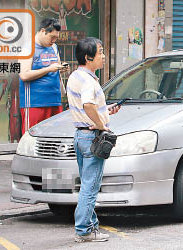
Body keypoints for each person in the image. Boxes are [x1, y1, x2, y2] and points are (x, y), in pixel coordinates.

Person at [66, 37, 120, 243]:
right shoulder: (89, 80)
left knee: (87, 183)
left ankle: (90, 225)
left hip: (80, 136)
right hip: (91, 137)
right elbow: (88, 105)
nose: (104, 56)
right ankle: (83, 231)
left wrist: (106, 112)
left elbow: (84, 107)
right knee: (90, 186)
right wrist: (101, 124)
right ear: (88, 57)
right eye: (100, 52)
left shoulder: (75, 76)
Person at [18, 18, 68, 135]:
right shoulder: (27, 48)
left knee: (54, 137)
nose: (54, 41)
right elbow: (24, 75)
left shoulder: (54, 47)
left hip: (55, 100)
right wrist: (48, 69)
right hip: (35, 103)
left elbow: (56, 67)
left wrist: (62, 68)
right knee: (32, 138)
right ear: (42, 31)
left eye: (56, 38)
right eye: (52, 37)